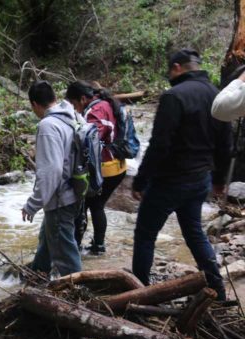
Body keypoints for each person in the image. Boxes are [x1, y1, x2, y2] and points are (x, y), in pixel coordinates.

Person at [131, 49, 233, 300]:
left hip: (170, 180)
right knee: (194, 233)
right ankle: (217, 290)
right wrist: (219, 180)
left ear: (177, 67)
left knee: (145, 235)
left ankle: (138, 291)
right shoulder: (217, 94)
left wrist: (141, 180)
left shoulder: (174, 96)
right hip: (200, 180)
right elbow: (225, 144)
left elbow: (159, 143)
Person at [22, 81, 82, 277]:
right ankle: (38, 273)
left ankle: (78, 292)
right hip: (75, 190)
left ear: (34, 104)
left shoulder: (48, 125)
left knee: (65, 255)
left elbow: (51, 171)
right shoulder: (73, 116)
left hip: (60, 198)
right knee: (48, 236)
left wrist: (32, 204)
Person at [66, 81, 127, 255]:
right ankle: (96, 245)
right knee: (95, 205)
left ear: (83, 98)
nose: (75, 109)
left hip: (105, 166)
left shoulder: (96, 111)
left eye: (74, 104)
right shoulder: (106, 103)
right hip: (117, 165)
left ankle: (81, 246)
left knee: (90, 205)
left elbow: (91, 140)